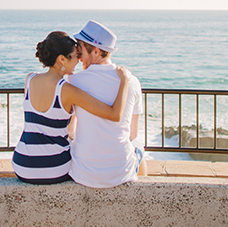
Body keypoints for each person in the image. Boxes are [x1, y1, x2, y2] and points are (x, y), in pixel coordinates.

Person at [11, 31, 131, 184]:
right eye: (75, 56)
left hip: (22, 165)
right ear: (62, 59)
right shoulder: (67, 90)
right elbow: (114, 114)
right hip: (54, 168)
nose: (78, 60)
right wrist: (124, 81)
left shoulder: (30, 79)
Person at [68, 20, 145, 188]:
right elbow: (132, 134)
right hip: (120, 172)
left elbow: (70, 131)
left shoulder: (74, 81)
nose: (77, 54)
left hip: (84, 173)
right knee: (138, 145)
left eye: (80, 47)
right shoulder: (132, 81)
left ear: (95, 51)